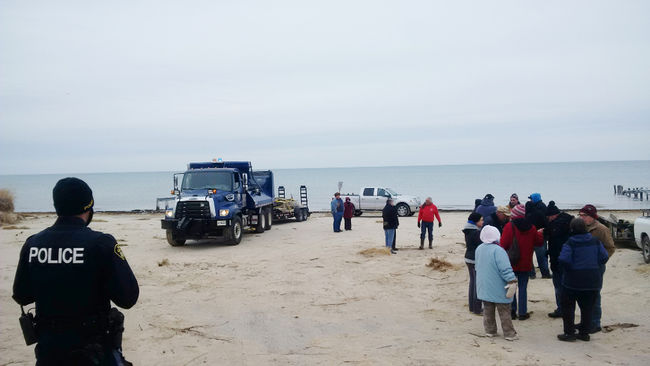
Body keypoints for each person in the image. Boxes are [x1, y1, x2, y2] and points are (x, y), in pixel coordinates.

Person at [12, 177, 139, 365]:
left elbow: (22, 295)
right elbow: (128, 297)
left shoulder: (33, 244)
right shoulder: (100, 243)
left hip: (49, 351)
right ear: (89, 208)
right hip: (93, 351)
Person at [557, 218, 609, 342]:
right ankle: (584, 333)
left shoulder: (571, 242)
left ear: (572, 229)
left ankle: (569, 333)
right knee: (587, 308)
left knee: (568, 307)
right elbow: (604, 257)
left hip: (573, 281)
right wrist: (594, 265)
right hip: (592, 280)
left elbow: (563, 259)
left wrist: (570, 269)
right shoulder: (595, 241)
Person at [500, 204, 543, 320]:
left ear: (513, 215)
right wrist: (539, 233)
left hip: (512, 261)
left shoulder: (509, 226)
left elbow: (503, 244)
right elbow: (539, 243)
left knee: (512, 286)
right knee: (523, 287)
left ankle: (513, 311)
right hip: (526, 262)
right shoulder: (532, 227)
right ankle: (523, 312)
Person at [475, 225, 518, 341]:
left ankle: (490, 331)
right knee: (504, 311)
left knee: (488, 309)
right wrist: (512, 279)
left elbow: (477, 266)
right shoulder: (498, 250)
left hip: (484, 285)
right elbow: (505, 268)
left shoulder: (479, 248)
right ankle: (509, 333)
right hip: (499, 286)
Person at [578, 204, 615, 333]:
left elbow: (610, 247)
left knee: (594, 294)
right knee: (583, 294)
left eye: (585, 216)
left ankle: (595, 323)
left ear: (593, 216)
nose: (582, 218)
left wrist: (600, 260)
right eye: (581, 215)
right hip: (583, 266)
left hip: (596, 267)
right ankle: (585, 321)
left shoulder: (601, 229)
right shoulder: (581, 227)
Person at [544, 201, 573, 318]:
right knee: (567, 286)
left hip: (557, 260)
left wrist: (545, 232)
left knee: (559, 286)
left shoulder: (556, 226)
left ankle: (561, 309)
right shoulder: (569, 222)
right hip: (568, 260)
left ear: (553, 215)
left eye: (548, 217)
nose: (548, 219)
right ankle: (566, 308)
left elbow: (555, 244)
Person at [526, 193, 551, 279]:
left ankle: (533, 273)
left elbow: (545, 222)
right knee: (541, 256)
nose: (530, 200)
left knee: (537, 255)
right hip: (539, 235)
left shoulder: (537, 209)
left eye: (531, 199)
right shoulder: (540, 207)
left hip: (538, 235)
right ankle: (544, 273)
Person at [463, 212, 484, 315]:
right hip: (474, 259)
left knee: (472, 283)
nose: (483, 221)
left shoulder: (468, 230)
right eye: (481, 220)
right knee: (477, 284)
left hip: (468, 258)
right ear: (476, 221)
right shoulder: (475, 232)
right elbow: (480, 246)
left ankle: (472, 307)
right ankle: (477, 308)